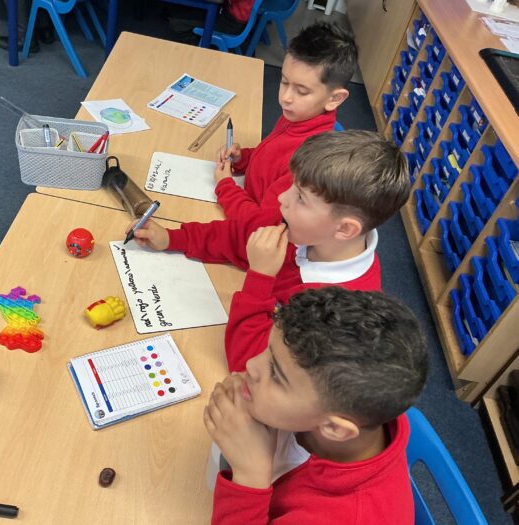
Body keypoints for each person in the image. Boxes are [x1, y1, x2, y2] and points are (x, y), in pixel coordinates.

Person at [125, 130, 410, 372]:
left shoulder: (334, 314)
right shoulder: (308, 230)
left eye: (301, 198)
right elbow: (241, 235)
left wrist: (260, 277)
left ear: (345, 229)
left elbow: (249, 365)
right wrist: (173, 238)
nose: (282, 198)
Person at [204, 287, 429, 524]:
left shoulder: (344, 516)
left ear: (334, 428)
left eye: (276, 374)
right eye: (268, 351)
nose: (251, 364)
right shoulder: (351, 403)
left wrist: (250, 475)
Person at [216, 22, 357, 221]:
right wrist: (243, 159)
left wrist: (225, 187)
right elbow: (272, 161)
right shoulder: (300, 115)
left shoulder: (305, 166)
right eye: (284, 81)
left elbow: (261, 225)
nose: (286, 97)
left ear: (334, 99)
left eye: (302, 91)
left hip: (252, 226)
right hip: (247, 199)